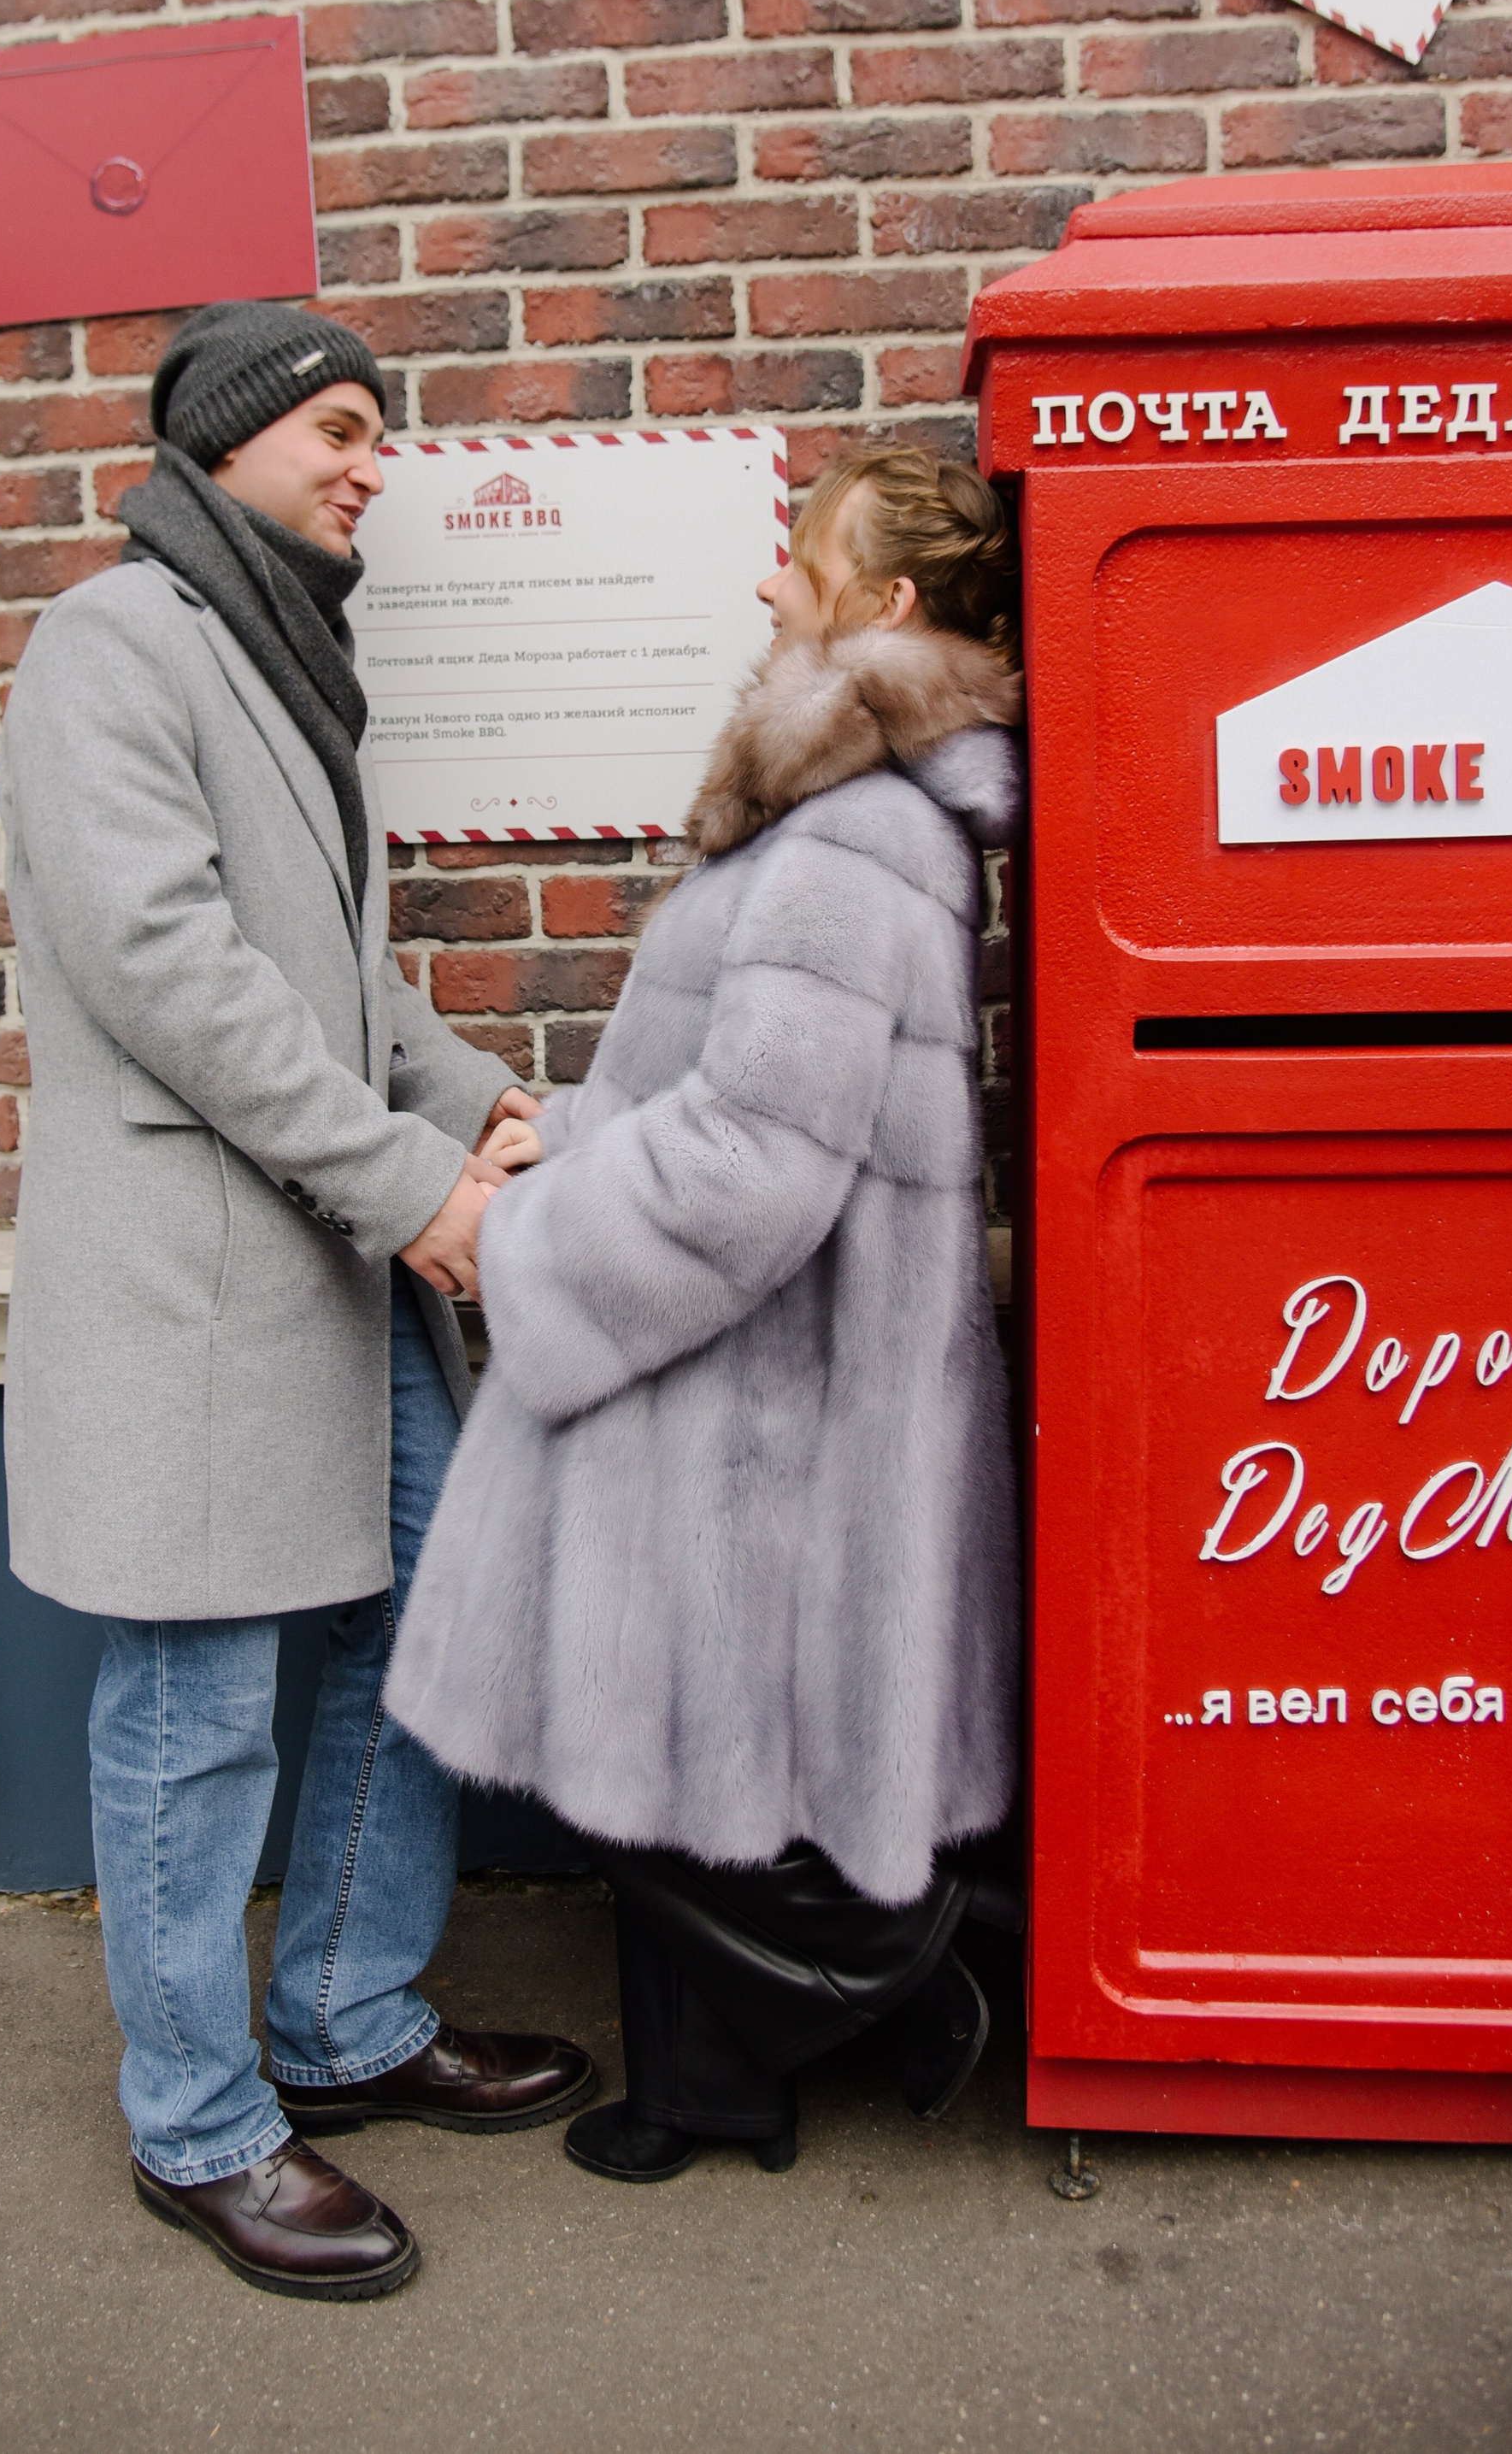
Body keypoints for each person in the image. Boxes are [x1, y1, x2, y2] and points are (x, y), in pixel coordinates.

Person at [0, 300, 591, 2300]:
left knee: (419, 1612)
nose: (368, 463)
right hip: (202, 1280)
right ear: (232, 438)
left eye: (379, 433)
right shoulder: (112, 641)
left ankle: (344, 2018)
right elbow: (169, 971)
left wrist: (478, 1098)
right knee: (191, 1707)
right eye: (339, 428)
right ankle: (196, 2119)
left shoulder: (274, 644)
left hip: (327, 1261)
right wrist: (413, 1184)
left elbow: (329, 975)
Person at [388, 444, 1025, 2180]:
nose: (765, 584)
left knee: (687, 1744)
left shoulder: (855, 833)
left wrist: (528, 1240)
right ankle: (722, 2079)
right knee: (703, 1755)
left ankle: (903, 1965)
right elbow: (740, 1095)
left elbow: (756, 1161)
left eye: (798, 556)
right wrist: (575, 1131)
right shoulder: (851, 805)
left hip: (748, 1376)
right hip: (768, 1366)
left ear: (884, 604)